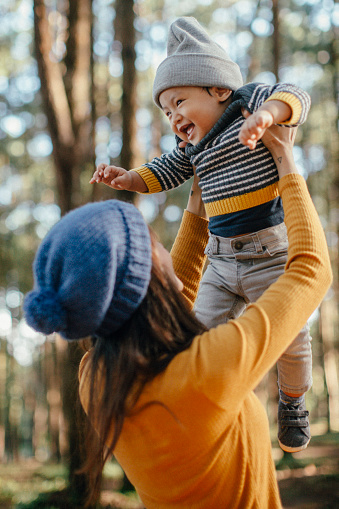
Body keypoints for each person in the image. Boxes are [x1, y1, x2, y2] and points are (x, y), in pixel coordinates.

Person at [24, 119, 331, 507]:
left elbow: (171, 298)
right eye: (153, 240)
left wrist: (200, 194)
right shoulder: (208, 370)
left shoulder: (97, 378)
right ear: (148, 271)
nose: (165, 248)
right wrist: (286, 157)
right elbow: (310, 271)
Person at [90, 16, 313, 452]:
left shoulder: (250, 104)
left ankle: (292, 401)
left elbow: (297, 95)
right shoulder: (193, 149)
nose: (174, 117)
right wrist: (128, 178)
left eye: (179, 102)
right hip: (221, 260)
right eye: (166, 111)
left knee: (292, 337)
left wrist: (268, 115)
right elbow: (164, 172)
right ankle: (206, 411)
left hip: (270, 254)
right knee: (196, 335)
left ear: (218, 90)